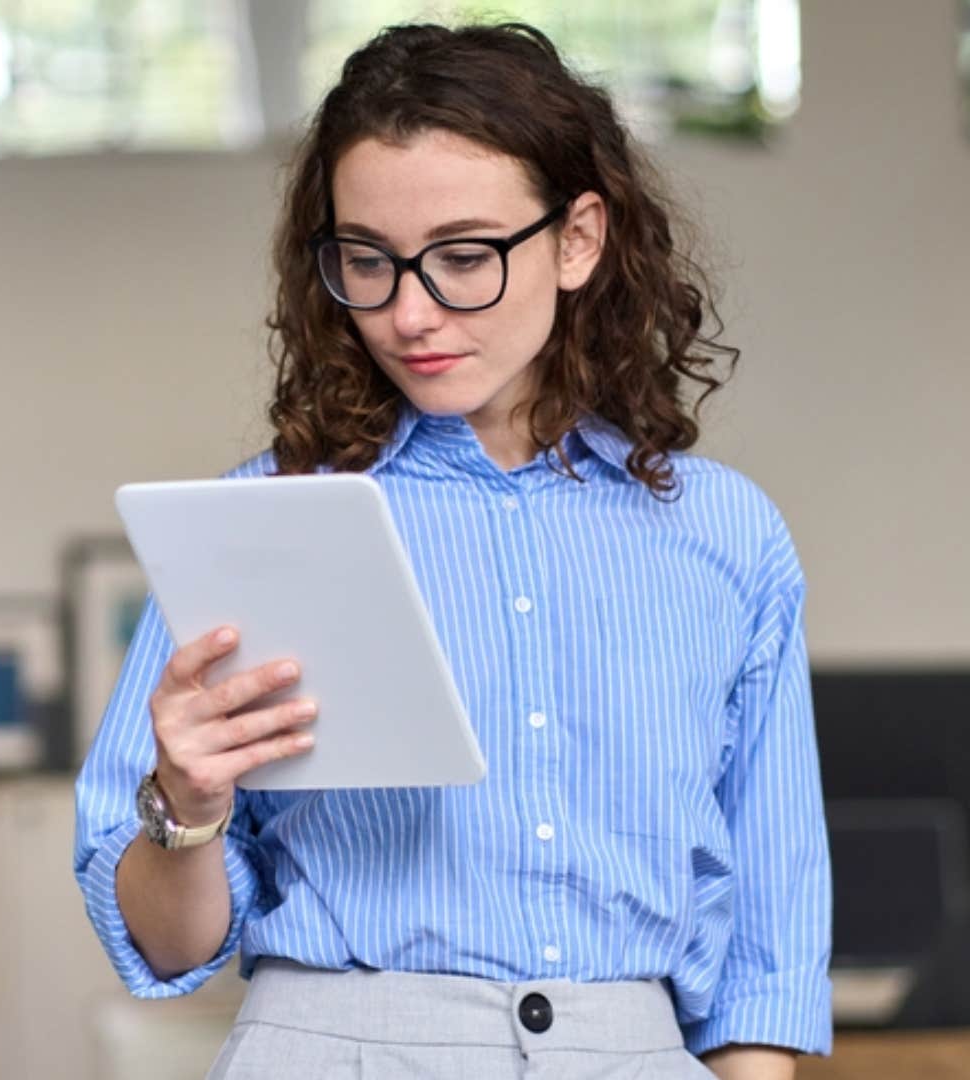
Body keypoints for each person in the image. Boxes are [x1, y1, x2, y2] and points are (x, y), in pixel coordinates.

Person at [74, 22, 831, 1080]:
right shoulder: (263, 523)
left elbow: (768, 935)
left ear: (579, 238)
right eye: (366, 262)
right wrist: (187, 811)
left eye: (466, 257)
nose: (409, 312)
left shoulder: (725, 534)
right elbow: (166, 948)